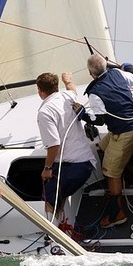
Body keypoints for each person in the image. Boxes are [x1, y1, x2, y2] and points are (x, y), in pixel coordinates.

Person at [80, 53, 133, 228]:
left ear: (91, 73)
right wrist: (127, 65)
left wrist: (82, 114)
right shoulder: (118, 74)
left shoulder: (94, 93)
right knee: (102, 147)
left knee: (110, 172)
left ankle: (118, 214)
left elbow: (99, 120)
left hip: (124, 133)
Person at [36, 72, 97, 220]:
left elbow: (54, 145)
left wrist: (47, 169)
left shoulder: (45, 112)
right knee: (58, 194)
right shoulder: (67, 97)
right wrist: (68, 81)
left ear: (40, 91)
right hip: (87, 163)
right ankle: (63, 224)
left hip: (74, 168)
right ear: (56, 86)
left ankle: (54, 234)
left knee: (48, 199)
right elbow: (73, 90)